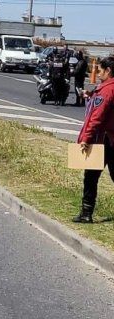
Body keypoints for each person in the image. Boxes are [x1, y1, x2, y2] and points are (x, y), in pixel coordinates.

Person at [73, 56, 114, 223]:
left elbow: (97, 117)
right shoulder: (106, 89)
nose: (97, 74)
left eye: (100, 70)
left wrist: (87, 138)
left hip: (104, 139)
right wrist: (91, 95)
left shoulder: (107, 89)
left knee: (91, 176)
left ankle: (86, 213)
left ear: (108, 70)